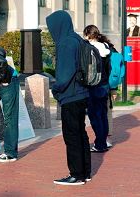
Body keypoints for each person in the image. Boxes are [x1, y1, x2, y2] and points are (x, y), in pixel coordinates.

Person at [46, 10, 91, 185]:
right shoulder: (77, 40)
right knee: (81, 134)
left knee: (71, 136)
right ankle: (85, 172)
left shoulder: (65, 43)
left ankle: (76, 174)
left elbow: (64, 75)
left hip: (70, 96)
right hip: (82, 93)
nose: (51, 31)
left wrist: (55, 90)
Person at [83, 25, 111, 152]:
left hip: (94, 85)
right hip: (105, 84)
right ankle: (103, 141)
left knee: (94, 115)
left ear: (88, 35)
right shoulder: (105, 46)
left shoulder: (90, 48)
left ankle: (100, 144)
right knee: (103, 115)